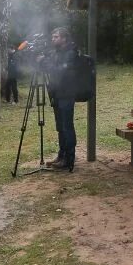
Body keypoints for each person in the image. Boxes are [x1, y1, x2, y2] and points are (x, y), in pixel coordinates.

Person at [39, 27, 79, 171]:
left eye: (56, 37)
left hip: (67, 94)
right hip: (57, 93)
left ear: (64, 39)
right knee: (60, 127)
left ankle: (69, 159)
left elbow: (60, 71)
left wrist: (47, 64)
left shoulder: (71, 53)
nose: (53, 39)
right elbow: (52, 69)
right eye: (53, 37)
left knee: (67, 127)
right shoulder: (56, 52)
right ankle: (61, 156)